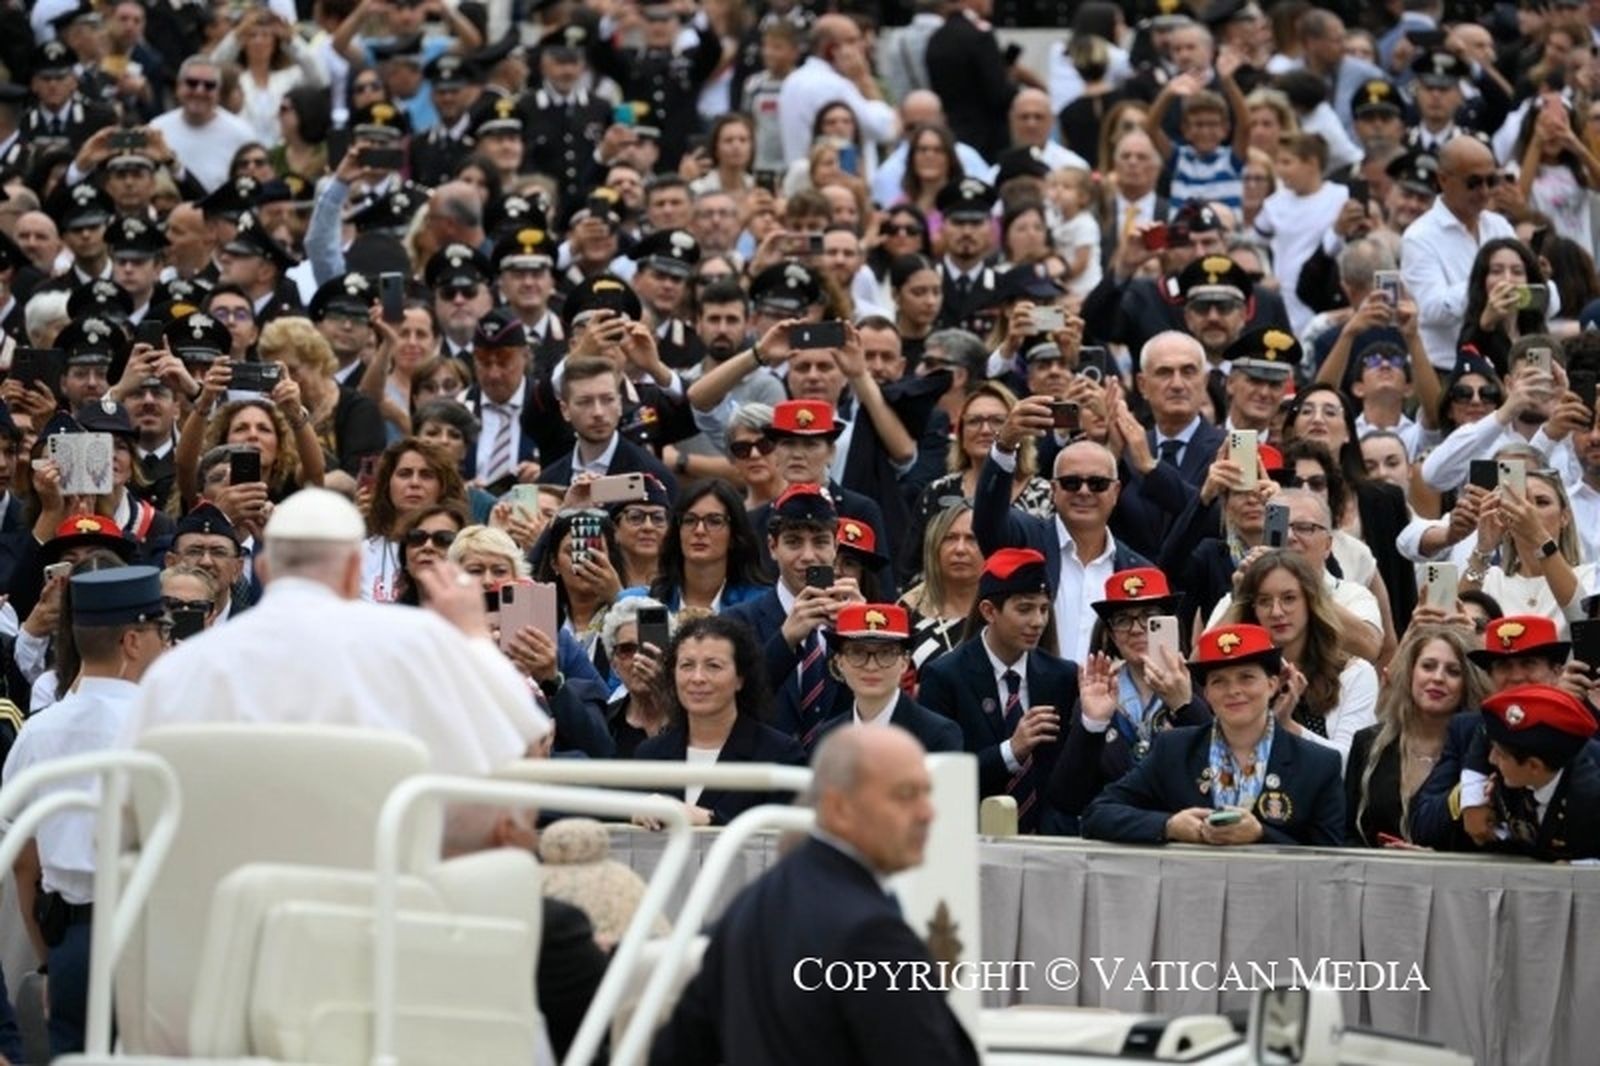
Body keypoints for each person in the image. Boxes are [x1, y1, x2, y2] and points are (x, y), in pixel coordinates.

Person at [127, 489, 550, 850]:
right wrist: (473, 637)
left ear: (264, 570)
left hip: (216, 906)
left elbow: (124, 819)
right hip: (380, 902)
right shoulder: (417, 642)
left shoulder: (178, 669)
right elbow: (516, 768)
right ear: (353, 571)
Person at [649, 725, 979, 1066]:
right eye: (905, 794)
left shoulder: (751, 905)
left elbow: (675, 1050)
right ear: (839, 809)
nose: (928, 812)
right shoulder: (873, 935)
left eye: (927, 793)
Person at [3, 566, 171, 1056]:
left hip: (74, 938)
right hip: (153, 935)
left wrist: (51, 956)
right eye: (161, 632)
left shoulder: (39, 731)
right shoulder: (167, 728)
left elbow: (24, 862)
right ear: (132, 641)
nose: (166, 643)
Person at [1082, 622, 1345, 847]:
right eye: (1219, 681)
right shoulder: (1174, 749)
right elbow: (1098, 814)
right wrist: (1169, 825)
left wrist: (1261, 835)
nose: (1233, 690)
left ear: (1272, 684)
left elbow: (1332, 858)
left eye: (1246, 677)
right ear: (1206, 693)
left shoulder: (1319, 764)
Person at [917, 548, 1075, 834]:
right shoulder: (945, 676)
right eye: (1024, 609)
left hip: (1047, 843)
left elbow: (1071, 779)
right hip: (971, 837)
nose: (1038, 621)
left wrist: (1093, 721)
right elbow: (939, 778)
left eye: (1043, 609)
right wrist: (1010, 751)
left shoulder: (1063, 677)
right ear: (989, 611)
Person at [1048, 568, 1212, 831]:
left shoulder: (1205, 688)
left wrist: (1186, 707)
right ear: (1111, 634)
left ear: (1169, 624)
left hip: (1188, 834)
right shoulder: (1097, 691)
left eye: (1149, 617)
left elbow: (1220, 775)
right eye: (1123, 620)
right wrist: (1092, 724)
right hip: (1114, 834)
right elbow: (1067, 799)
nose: (1136, 629)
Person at [632, 614, 807, 828]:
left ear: (740, 678)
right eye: (687, 665)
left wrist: (710, 820)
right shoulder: (650, 754)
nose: (697, 678)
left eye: (713, 666)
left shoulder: (780, 755)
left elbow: (789, 837)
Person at [1224, 548, 1380, 769]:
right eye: (1265, 601)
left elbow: (1350, 763)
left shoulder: (1355, 673)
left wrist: (1287, 726)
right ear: (1253, 610)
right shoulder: (1238, 676)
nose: (1277, 612)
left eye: (1289, 599)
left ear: (1310, 601)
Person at [1345, 624, 1489, 846]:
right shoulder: (1368, 742)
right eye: (1428, 666)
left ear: (1468, 683)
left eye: (1453, 671)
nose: (1438, 678)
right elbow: (1346, 833)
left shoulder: (1482, 753)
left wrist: (1431, 860)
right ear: (1411, 673)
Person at [813, 603, 962, 754]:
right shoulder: (826, 737)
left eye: (886, 653)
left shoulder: (937, 735)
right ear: (839, 662)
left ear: (905, 662)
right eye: (857, 653)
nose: (871, 666)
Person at [648, 479, 770, 615]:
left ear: (734, 535)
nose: (699, 530)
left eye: (714, 521)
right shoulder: (648, 601)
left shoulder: (760, 604)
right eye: (690, 520)